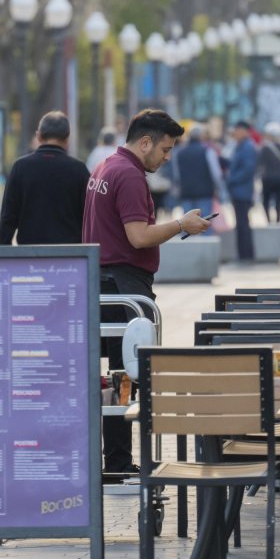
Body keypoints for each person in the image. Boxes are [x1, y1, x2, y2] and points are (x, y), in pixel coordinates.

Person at [82, 109, 210, 473]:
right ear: (144, 142)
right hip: (123, 287)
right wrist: (181, 224)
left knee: (116, 375)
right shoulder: (129, 175)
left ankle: (115, 459)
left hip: (105, 282)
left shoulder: (105, 166)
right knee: (125, 375)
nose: (167, 157)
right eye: (165, 149)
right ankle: (119, 462)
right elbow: (138, 236)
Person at [0, 111, 89, 245]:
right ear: (67, 139)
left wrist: (4, 249)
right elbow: (89, 217)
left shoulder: (20, 167)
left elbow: (8, 216)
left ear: (39, 136)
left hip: (29, 252)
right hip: (70, 254)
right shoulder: (79, 170)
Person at [171, 124, 227, 229]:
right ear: (201, 136)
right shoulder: (207, 151)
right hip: (205, 193)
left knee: (188, 226)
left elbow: (176, 175)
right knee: (204, 224)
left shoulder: (180, 153)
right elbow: (216, 174)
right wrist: (219, 189)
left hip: (186, 192)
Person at [226, 120, 257, 261]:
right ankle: (243, 254)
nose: (235, 133)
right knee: (241, 224)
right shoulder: (241, 146)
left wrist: (232, 180)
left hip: (242, 191)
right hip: (238, 191)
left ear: (245, 131)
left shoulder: (247, 147)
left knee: (243, 224)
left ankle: (246, 254)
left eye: (237, 130)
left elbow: (247, 170)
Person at [256, 122, 280, 225]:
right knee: (279, 202)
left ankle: (269, 221)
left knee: (266, 201)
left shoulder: (265, 148)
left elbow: (259, 163)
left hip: (268, 179)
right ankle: (278, 221)